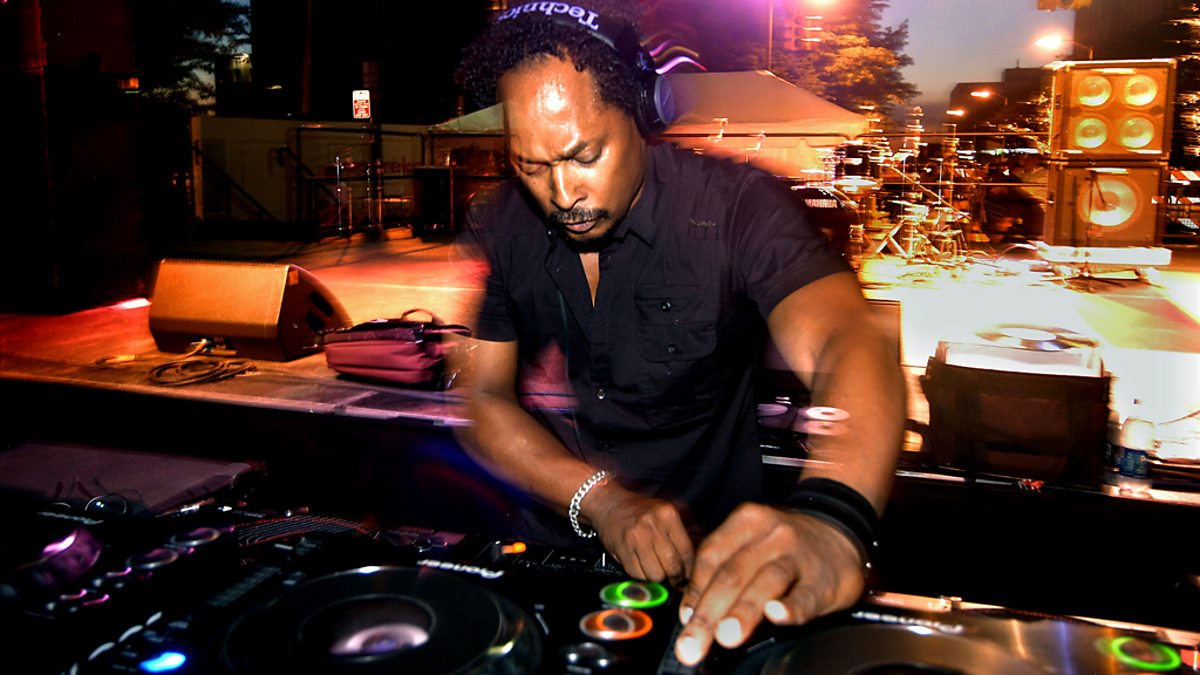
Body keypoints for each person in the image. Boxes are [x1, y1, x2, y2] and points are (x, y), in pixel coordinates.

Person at [451, 4, 905, 667]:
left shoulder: (737, 207)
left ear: (643, 115)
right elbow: (481, 398)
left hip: (714, 572)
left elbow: (848, 339)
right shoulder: (504, 221)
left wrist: (834, 516)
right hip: (551, 551)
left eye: (584, 155)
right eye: (531, 165)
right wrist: (598, 499)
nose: (562, 193)